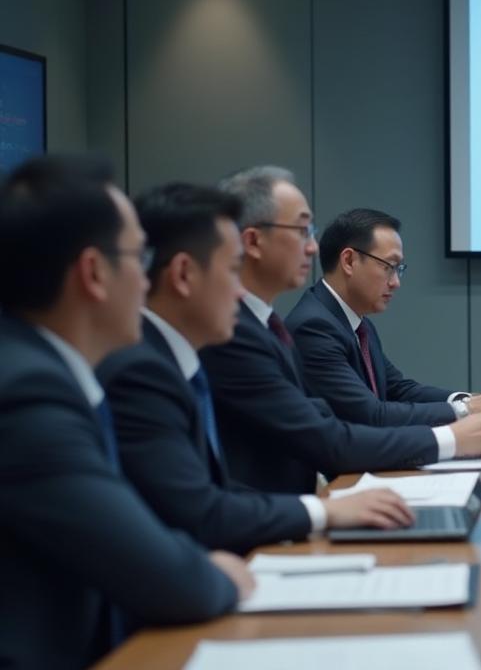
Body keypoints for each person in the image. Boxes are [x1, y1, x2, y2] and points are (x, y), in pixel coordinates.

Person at [0, 157, 251, 669]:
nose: (147, 280)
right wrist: (219, 573)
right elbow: (170, 580)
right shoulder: (28, 397)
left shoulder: (41, 370)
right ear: (94, 272)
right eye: (140, 257)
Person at [98, 184, 416, 555]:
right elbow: (198, 511)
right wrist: (322, 511)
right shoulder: (142, 372)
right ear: (183, 274)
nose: (239, 293)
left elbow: (212, 490)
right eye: (232, 271)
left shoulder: (174, 358)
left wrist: (322, 509)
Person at [200, 167, 481, 494]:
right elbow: (346, 428)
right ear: (253, 241)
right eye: (302, 230)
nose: (312, 247)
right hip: (276, 511)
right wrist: (454, 433)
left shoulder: (304, 325)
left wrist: (470, 402)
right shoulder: (280, 329)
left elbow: (393, 390)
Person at [287, 208, 481, 429]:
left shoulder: (356, 323)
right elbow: (370, 415)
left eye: (399, 269)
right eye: (388, 266)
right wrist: (468, 409)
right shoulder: (314, 327)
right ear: (349, 261)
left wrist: (480, 400)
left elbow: (398, 390)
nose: (396, 282)